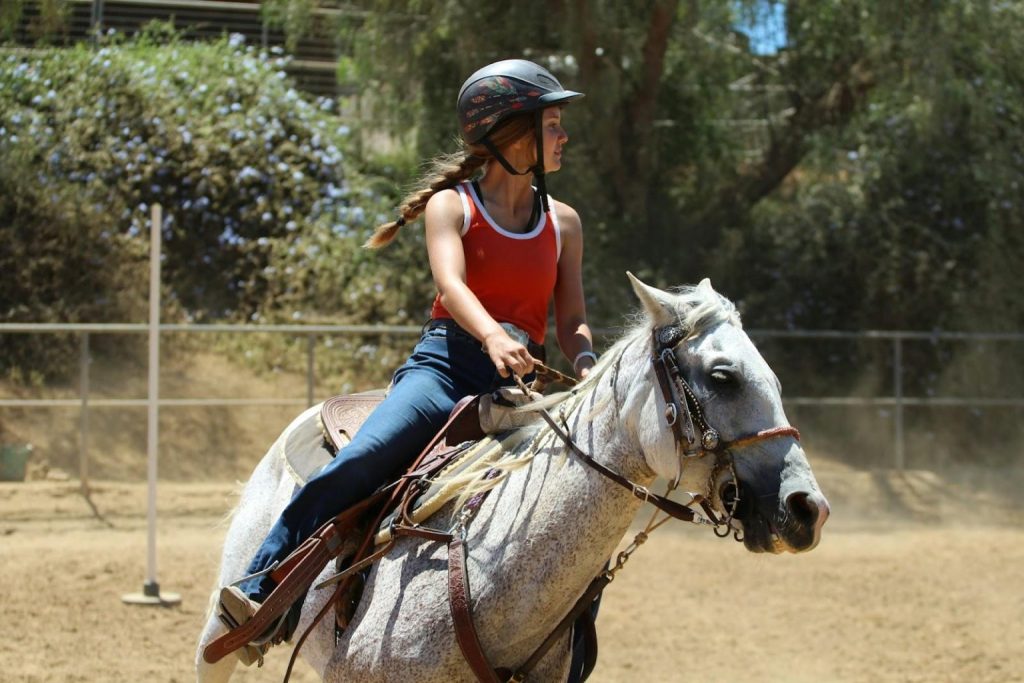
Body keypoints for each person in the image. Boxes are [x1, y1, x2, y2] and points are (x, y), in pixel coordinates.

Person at [218, 58, 598, 667]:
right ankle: (264, 586)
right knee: (366, 458)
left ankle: (568, 652)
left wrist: (583, 360)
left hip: (522, 387)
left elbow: (572, 314)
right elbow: (451, 286)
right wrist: (493, 338)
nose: (563, 136)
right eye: (552, 123)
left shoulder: (565, 223)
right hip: (445, 368)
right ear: (511, 134)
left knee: (582, 502)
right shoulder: (454, 206)